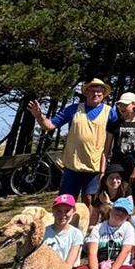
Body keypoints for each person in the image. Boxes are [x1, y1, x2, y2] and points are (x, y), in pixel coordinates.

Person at [27, 78, 118, 210]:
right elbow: (50, 125)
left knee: (89, 201)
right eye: (92, 91)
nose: (96, 94)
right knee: (65, 202)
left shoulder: (110, 112)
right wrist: (39, 116)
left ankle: (85, 229)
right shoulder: (73, 109)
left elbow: (114, 135)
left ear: (104, 94)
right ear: (86, 92)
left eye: (99, 92)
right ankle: (64, 228)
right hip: (72, 166)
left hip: (95, 167)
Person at [73, 197, 135, 269]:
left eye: (124, 212)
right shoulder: (98, 228)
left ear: (127, 216)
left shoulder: (128, 228)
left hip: (119, 267)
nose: (120, 213)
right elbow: (92, 252)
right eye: (118, 209)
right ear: (111, 210)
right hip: (99, 265)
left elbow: (125, 252)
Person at [106, 92, 135, 195]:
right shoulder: (113, 125)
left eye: (126, 105)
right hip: (117, 167)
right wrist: (103, 170)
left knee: (130, 198)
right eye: (120, 105)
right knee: (115, 196)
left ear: (134, 105)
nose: (122, 107)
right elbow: (106, 149)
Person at [43, 193, 84, 268]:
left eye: (67, 211)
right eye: (59, 211)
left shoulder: (76, 234)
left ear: (73, 211)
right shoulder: (43, 233)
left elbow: (69, 263)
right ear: (53, 211)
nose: (62, 215)